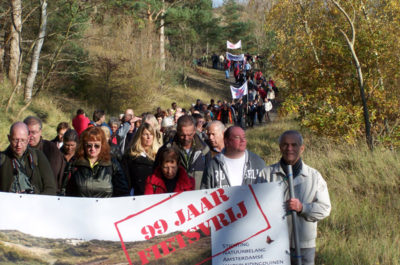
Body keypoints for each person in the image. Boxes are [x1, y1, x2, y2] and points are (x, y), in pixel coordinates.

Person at [257, 130, 331, 265]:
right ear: (280, 147)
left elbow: (325, 208)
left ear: (301, 148)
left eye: (294, 145)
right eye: (285, 145)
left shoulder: (314, 176)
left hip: (304, 246)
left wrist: (303, 207)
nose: (289, 148)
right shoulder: (265, 174)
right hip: (273, 243)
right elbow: (255, 209)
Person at [65, 127, 129, 197]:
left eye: (97, 146)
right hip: (81, 206)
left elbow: (123, 192)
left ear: (102, 145)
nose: (93, 149)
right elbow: (65, 190)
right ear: (83, 145)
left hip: (107, 207)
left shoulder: (113, 164)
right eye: (89, 145)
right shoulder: (75, 163)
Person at [201, 126, 267, 189]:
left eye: (244, 137)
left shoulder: (257, 162)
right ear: (226, 141)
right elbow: (205, 193)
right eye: (237, 137)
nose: (242, 140)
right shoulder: (213, 165)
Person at [156, 115, 211, 190]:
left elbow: (209, 178)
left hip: (198, 198)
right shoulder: (165, 150)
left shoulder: (205, 150)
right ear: (177, 131)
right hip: (173, 198)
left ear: (194, 131)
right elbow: (156, 178)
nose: (186, 138)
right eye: (182, 135)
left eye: (189, 135)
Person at [0, 122, 56, 195]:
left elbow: (51, 188)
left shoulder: (38, 156)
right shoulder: (2, 159)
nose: (18, 145)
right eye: (15, 140)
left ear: (28, 139)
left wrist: (35, 201)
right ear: (9, 138)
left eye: (22, 140)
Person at [24, 116, 65, 189]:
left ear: (40, 132)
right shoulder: (18, 149)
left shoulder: (51, 149)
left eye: (33, 132)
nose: (30, 136)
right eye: (27, 132)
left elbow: (54, 176)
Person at [122, 123, 161, 196]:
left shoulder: (158, 155)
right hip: (137, 196)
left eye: (151, 134)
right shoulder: (130, 156)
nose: (149, 137)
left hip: (156, 196)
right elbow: (126, 180)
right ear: (140, 136)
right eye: (145, 134)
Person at [59, 129, 78, 195]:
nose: (69, 148)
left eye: (72, 145)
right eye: (67, 145)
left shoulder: (80, 157)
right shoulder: (57, 155)